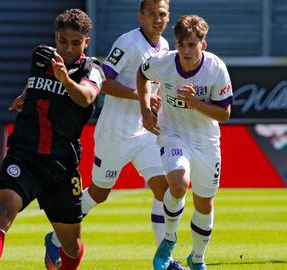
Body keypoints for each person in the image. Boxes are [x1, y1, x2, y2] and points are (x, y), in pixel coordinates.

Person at [44, 1, 185, 270]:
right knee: (99, 193)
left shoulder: (165, 46)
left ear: (169, 17)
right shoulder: (128, 42)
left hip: (145, 133)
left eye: (162, 14)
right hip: (115, 133)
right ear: (141, 16)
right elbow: (103, 81)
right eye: (152, 14)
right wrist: (141, 97)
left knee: (164, 189)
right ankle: (55, 238)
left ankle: (164, 260)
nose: (157, 19)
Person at [0, 9, 104, 270]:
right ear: (55, 37)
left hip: (61, 163)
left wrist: (66, 80)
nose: (68, 48)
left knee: (71, 244)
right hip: (24, 154)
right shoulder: (40, 56)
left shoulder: (92, 69)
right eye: (62, 41)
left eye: (75, 43)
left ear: (86, 42)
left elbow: (86, 98)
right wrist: (25, 94)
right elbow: (37, 82)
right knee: (2, 213)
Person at [137, 15, 233, 270]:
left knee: (204, 204)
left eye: (192, 44)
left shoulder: (216, 68)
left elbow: (224, 114)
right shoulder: (163, 62)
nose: (186, 50)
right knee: (178, 185)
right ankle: (168, 240)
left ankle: (197, 259)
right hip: (172, 133)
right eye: (181, 44)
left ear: (203, 44)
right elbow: (142, 74)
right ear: (175, 43)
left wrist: (195, 104)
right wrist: (146, 109)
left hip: (206, 141)